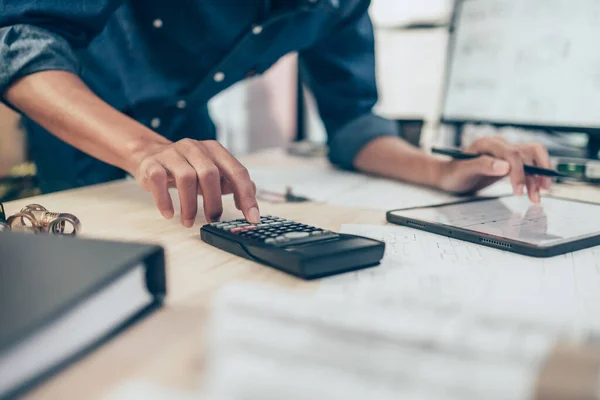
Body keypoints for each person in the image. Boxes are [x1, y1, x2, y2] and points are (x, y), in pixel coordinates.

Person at [0, 0, 552, 227]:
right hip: (83, 116)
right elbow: (19, 37)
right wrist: (143, 150)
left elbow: (353, 122)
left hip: (188, 129)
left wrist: (442, 171)